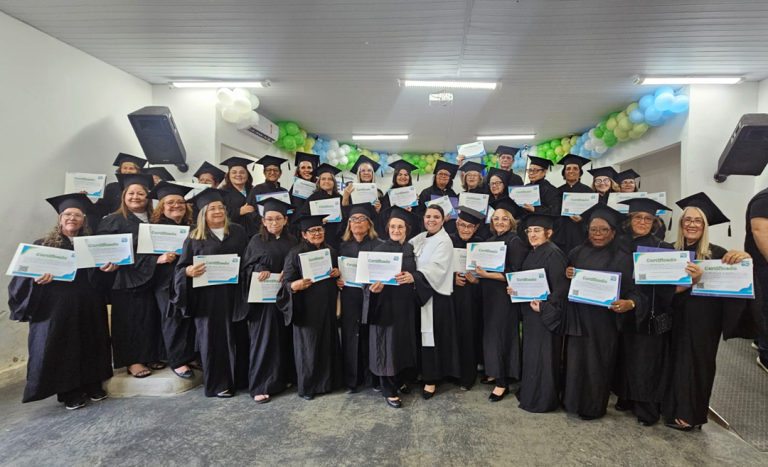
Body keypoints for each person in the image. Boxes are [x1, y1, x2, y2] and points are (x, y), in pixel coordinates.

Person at [8, 194, 115, 410]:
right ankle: (69, 391)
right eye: (67, 214)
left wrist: (109, 268)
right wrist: (37, 279)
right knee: (63, 345)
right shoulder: (42, 246)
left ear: (84, 220)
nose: (72, 218)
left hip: (89, 303)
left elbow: (100, 278)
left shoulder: (91, 245)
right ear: (60, 219)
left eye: (78, 215)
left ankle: (93, 383)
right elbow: (22, 278)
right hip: (57, 307)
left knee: (92, 340)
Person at [665, 192, 757, 431]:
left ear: (705, 226)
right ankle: (670, 408)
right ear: (681, 223)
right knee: (671, 361)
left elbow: (738, 279)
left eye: (698, 221)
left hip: (704, 321)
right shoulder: (667, 250)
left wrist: (745, 259)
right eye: (687, 219)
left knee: (697, 364)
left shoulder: (717, 254)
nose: (692, 224)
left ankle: (690, 414)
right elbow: (656, 288)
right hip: (672, 316)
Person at [562, 204, 643, 420]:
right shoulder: (577, 253)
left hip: (604, 322)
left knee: (597, 363)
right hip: (578, 317)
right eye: (593, 229)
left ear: (613, 232)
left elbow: (635, 291)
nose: (597, 234)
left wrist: (629, 303)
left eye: (603, 230)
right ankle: (572, 401)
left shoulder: (623, 258)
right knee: (575, 360)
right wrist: (567, 272)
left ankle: (592, 407)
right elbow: (567, 281)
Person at [170, 188, 249, 398]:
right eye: (212, 208)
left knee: (239, 335)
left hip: (234, 294)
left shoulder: (238, 231)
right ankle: (219, 383)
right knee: (212, 338)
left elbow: (248, 259)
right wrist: (188, 271)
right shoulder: (194, 237)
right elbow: (181, 268)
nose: (218, 211)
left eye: (220, 207)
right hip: (208, 298)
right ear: (203, 213)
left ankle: (242, 379)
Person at [613, 198, 677, 427]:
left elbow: (669, 285)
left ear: (655, 222)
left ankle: (647, 408)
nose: (642, 221)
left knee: (646, 360)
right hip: (619, 309)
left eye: (648, 218)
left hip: (648, 311)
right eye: (638, 217)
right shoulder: (617, 242)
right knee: (624, 356)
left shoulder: (661, 248)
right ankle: (626, 397)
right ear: (629, 220)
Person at [97, 173, 164, 379]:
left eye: (141, 193)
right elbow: (103, 250)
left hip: (154, 276)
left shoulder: (157, 219)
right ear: (124, 196)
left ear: (148, 197)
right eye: (131, 193)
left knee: (151, 316)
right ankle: (133, 360)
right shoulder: (112, 220)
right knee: (129, 318)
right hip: (127, 278)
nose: (136, 197)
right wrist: (106, 263)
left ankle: (151, 354)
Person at [235, 198, 298, 404]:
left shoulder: (293, 240)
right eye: (269, 219)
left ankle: (282, 380)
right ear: (263, 221)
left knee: (284, 339)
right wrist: (259, 268)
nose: (273, 222)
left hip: (286, 298)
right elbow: (246, 267)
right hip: (263, 302)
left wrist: (288, 271)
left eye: (278, 218)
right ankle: (261, 385)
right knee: (264, 340)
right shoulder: (256, 241)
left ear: (285, 220)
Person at [276, 214, 343, 400]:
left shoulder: (330, 251)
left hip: (326, 305)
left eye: (319, 230)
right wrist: (294, 285)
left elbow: (335, 276)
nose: (317, 233)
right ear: (304, 234)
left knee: (327, 343)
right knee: (309, 347)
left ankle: (329, 383)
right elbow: (286, 283)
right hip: (306, 308)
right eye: (312, 231)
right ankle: (309, 386)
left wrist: (336, 273)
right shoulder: (295, 253)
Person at [512, 213, 571, 413]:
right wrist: (515, 289)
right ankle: (531, 394)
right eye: (529, 231)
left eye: (537, 231)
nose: (532, 234)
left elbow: (560, 290)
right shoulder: (534, 251)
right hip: (532, 315)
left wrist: (544, 308)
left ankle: (543, 400)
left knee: (544, 357)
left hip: (545, 316)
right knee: (533, 356)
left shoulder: (554, 254)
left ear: (549, 233)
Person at [365, 207, 421, 408]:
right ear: (387, 229)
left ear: (407, 229)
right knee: (386, 345)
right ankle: (388, 389)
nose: (396, 230)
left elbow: (419, 273)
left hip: (405, 305)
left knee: (402, 344)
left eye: (400, 227)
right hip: (385, 304)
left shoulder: (411, 249)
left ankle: (399, 380)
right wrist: (373, 289)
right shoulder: (379, 250)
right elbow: (368, 280)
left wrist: (413, 277)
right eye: (393, 227)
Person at [474, 198, 528, 401]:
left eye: (504, 219)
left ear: (512, 221)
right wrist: (476, 276)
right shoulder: (489, 242)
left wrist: (487, 275)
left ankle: (502, 382)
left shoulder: (515, 241)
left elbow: (515, 273)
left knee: (501, 336)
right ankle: (494, 371)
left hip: (504, 297)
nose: (499, 222)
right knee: (490, 335)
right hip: (488, 295)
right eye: (496, 218)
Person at [148, 181, 198, 379]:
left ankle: (189, 355)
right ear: (162, 207)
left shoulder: (192, 228)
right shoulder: (153, 230)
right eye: (170, 202)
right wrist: (158, 259)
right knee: (173, 319)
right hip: (165, 282)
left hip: (189, 279)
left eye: (180, 202)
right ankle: (177, 360)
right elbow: (141, 257)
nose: (176, 205)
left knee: (188, 319)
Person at [409, 205, 460, 399]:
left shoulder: (444, 241)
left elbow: (437, 267)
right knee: (420, 335)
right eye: (428, 216)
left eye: (436, 217)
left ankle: (431, 379)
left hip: (435, 296)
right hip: (420, 293)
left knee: (431, 337)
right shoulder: (422, 237)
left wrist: (414, 276)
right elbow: (405, 249)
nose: (431, 220)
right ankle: (421, 371)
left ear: (443, 219)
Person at [337, 203, 382, 393]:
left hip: (371, 295)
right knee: (350, 335)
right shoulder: (343, 247)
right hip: (350, 296)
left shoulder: (379, 245)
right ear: (349, 224)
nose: (357, 222)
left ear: (369, 223)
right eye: (353, 219)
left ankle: (374, 379)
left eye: (361, 219)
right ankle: (352, 380)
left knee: (371, 334)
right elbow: (338, 271)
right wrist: (338, 278)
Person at [450, 206, 485, 390]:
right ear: (457, 224)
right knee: (450, 333)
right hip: (450, 296)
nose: (465, 229)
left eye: (470, 226)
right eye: (462, 225)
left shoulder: (481, 245)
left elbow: (488, 274)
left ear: (476, 228)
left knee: (468, 335)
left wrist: (477, 281)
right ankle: (450, 373)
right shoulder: (447, 242)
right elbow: (435, 268)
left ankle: (467, 376)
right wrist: (451, 278)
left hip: (471, 298)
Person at [295, 163, 344, 252]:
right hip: (317, 237)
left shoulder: (340, 198)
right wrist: (317, 220)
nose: (327, 181)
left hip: (336, 236)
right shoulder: (313, 198)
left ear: (334, 182)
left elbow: (345, 216)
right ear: (319, 182)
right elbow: (302, 216)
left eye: (330, 179)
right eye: (323, 179)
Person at [745, 186, 768, 373]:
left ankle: (760, 340)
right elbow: (760, 231)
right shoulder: (764, 198)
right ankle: (766, 355)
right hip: (764, 264)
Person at [553, 154, 593, 256]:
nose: (571, 171)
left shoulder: (588, 191)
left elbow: (592, 213)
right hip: (562, 233)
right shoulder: (557, 191)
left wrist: (583, 218)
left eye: (575, 168)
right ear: (564, 173)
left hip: (580, 232)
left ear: (580, 172)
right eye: (568, 169)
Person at [517, 156, 562, 246]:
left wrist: (534, 209)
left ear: (544, 172)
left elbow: (555, 210)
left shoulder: (551, 190)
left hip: (541, 231)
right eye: (530, 170)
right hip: (524, 230)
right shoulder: (524, 188)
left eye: (535, 170)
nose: (531, 173)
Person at [94, 153, 147, 221]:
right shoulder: (111, 187)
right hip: (116, 222)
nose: (127, 171)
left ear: (138, 171)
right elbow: (99, 209)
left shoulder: (143, 188)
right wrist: (84, 199)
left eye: (131, 168)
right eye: (124, 168)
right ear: (120, 170)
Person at [343, 155, 384, 233]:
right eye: (363, 170)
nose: (366, 173)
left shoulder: (379, 193)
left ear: (372, 173)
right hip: (356, 225)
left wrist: (378, 210)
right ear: (359, 173)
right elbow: (345, 211)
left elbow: (381, 215)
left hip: (373, 226)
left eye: (369, 170)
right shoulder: (352, 190)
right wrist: (346, 196)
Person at [378, 159, 418, 240]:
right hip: (393, 233)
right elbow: (383, 215)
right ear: (395, 177)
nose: (403, 177)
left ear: (409, 177)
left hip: (409, 235)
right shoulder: (388, 196)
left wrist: (410, 212)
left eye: (406, 175)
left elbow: (418, 218)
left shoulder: (414, 196)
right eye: (400, 174)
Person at [416, 161, 460, 234]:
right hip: (430, 229)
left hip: (448, 230)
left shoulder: (452, 194)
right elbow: (418, 212)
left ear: (449, 178)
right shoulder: (426, 192)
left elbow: (455, 214)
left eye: (446, 174)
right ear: (435, 176)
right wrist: (434, 217)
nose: (443, 176)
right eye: (440, 174)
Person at [219, 156, 257, 231]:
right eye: (234, 172)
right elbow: (220, 213)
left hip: (254, 232)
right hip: (232, 232)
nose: (238, 175)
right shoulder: (222, 193)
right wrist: (238, 211)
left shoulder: (254, 191)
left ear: (247, 175)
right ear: (229, 175)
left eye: (242, 172)